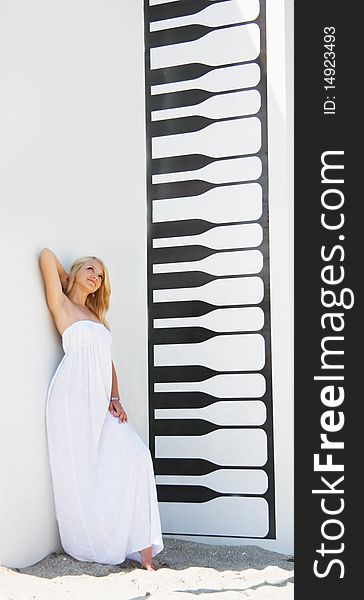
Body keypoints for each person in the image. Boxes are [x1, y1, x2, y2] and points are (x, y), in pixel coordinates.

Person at [39, 247, 163, 570]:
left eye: (100, 276)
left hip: (100, 400)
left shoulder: (97, 318)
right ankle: (90, 538)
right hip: (71, 399)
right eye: (91, 271)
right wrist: (67, 279)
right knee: (80, 471)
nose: (96, 278)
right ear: (77, 271)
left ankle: (145, 553)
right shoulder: (62, 305)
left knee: (137, 455)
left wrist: (116, 398)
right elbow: (45, 255)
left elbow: (108, 363)